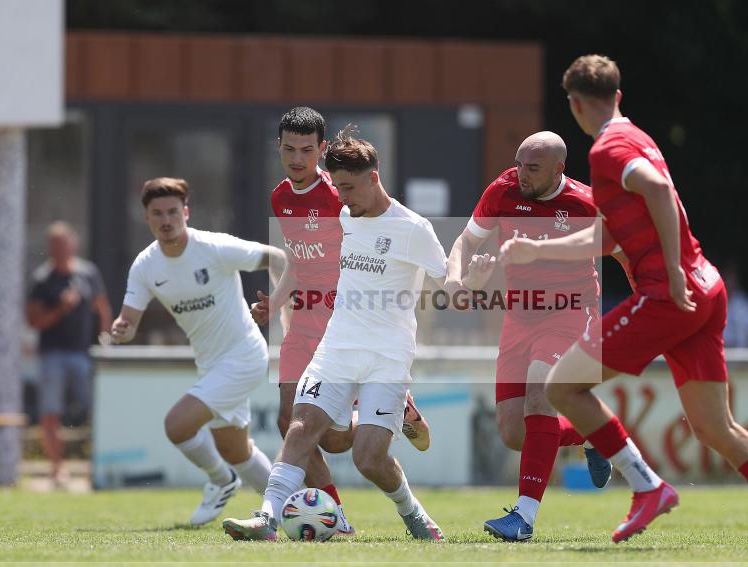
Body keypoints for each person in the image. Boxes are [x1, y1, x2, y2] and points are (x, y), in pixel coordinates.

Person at [501, 55, 748, 549]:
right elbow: (608, 234)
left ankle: (647, 487)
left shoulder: (607, 148)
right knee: (715, 427)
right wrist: (538, 249)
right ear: (618, 96)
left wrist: (672, 270)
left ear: (574, 105)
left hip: (668, 292)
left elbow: (656, 189)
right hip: (707, 288)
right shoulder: (639, 137)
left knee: (562, 388)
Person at [223, 127, 447, 541]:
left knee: (366, 457)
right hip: (337, 345)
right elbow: (303, 260)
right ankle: (267, 518)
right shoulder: (345, 216)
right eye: (338, 188)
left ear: (374, 178)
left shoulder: (414, 228)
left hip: (387, 355)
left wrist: (475, 280)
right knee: (300, 425)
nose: (341, 199)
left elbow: (449, 282)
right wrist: (279, 301)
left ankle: (413, 513)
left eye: (348, 188)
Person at [444, 131, 615, 542]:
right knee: (514, 432)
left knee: (540, 395)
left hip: (570, 312)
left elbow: (622, 249)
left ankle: (523, 517)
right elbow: (466, 240)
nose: (520, 173)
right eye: (518, 163)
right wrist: (456, 282)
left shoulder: (585, 203)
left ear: (559, 169)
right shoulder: (503, 189)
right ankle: (595, 432)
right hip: (519, 316)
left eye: (532, 167)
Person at [110, 177, 286, 526]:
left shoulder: (214, 247)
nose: (166, 220)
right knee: (236, 450)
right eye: (157, 213)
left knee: (177, 425)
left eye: (173, 212)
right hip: (211, 365)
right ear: (147, 218)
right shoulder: (145, 266)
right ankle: (287, 512)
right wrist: (122, 329)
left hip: (246, 355)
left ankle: (221, 482)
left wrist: (284, 307)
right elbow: (127, 321)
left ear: (186, 212)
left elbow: (278, 257)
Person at [26, 221, 112, 486]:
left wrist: (105, 341)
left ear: (73, 245)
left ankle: (98, 465)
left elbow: (102, 308)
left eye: (63, 245)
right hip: (52, 355)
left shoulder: (88, 273)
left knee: (95, 410)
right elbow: (34, 321)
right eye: (54, 246)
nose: (59, 250)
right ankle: (57, 469)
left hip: (83, 354)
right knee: (51, 413)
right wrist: (61, 309)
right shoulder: (42, 279)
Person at [721, 260, 748, 348]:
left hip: (743, 357)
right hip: (718, 354)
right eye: (727, 275)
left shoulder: (745, 304)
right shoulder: (712, 302)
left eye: (733, 276)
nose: (730, 280)